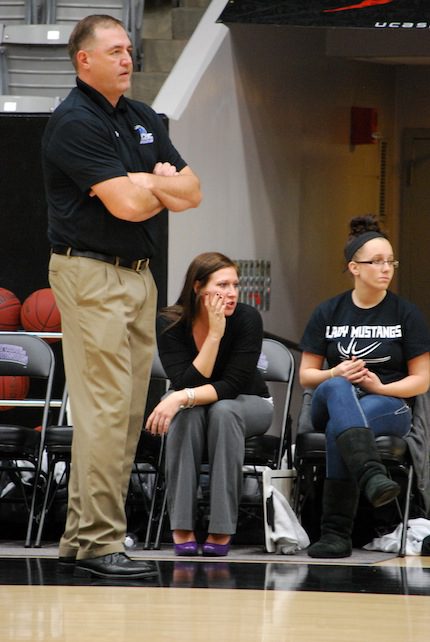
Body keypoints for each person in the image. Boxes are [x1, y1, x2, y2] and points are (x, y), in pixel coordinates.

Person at [42, 14, 201, 579]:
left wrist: (147, 182)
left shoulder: (140, 116)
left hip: (140, 275)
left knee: (125, 412)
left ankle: (81, 538)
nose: (128, 59)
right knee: (106, 410)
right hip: (91, 274)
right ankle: (103, 540)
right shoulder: (72, 122)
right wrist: (157, 185)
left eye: (130, 49)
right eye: (115, 51)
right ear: (85, 60)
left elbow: (194, 190)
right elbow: (129, 207)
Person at [299, 215, 430, 559]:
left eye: (390, 261)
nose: (386, 268)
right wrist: (335, 372)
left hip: (388, 403)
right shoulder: (328, 311)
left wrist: (379, 386)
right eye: (377, 262)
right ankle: (371, 475)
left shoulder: (406, 313)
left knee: (340, 430)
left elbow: (422, 379)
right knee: (339, 387)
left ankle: (335, 534)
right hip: (331, 397)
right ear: (354, 267)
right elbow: (307, 376)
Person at [146, 252, 274, 557]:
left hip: (250, 403)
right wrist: (214, 336)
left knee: (223, 410)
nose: (231, 293)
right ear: (198, 287)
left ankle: (222, 526)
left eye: (235, 285)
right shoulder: (170, 322)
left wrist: (178, 397)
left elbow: (231, 386)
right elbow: (185, 380)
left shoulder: (246, 319)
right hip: (196, 405)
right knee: (188, 416)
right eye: (222, 285)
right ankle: (181, 525)